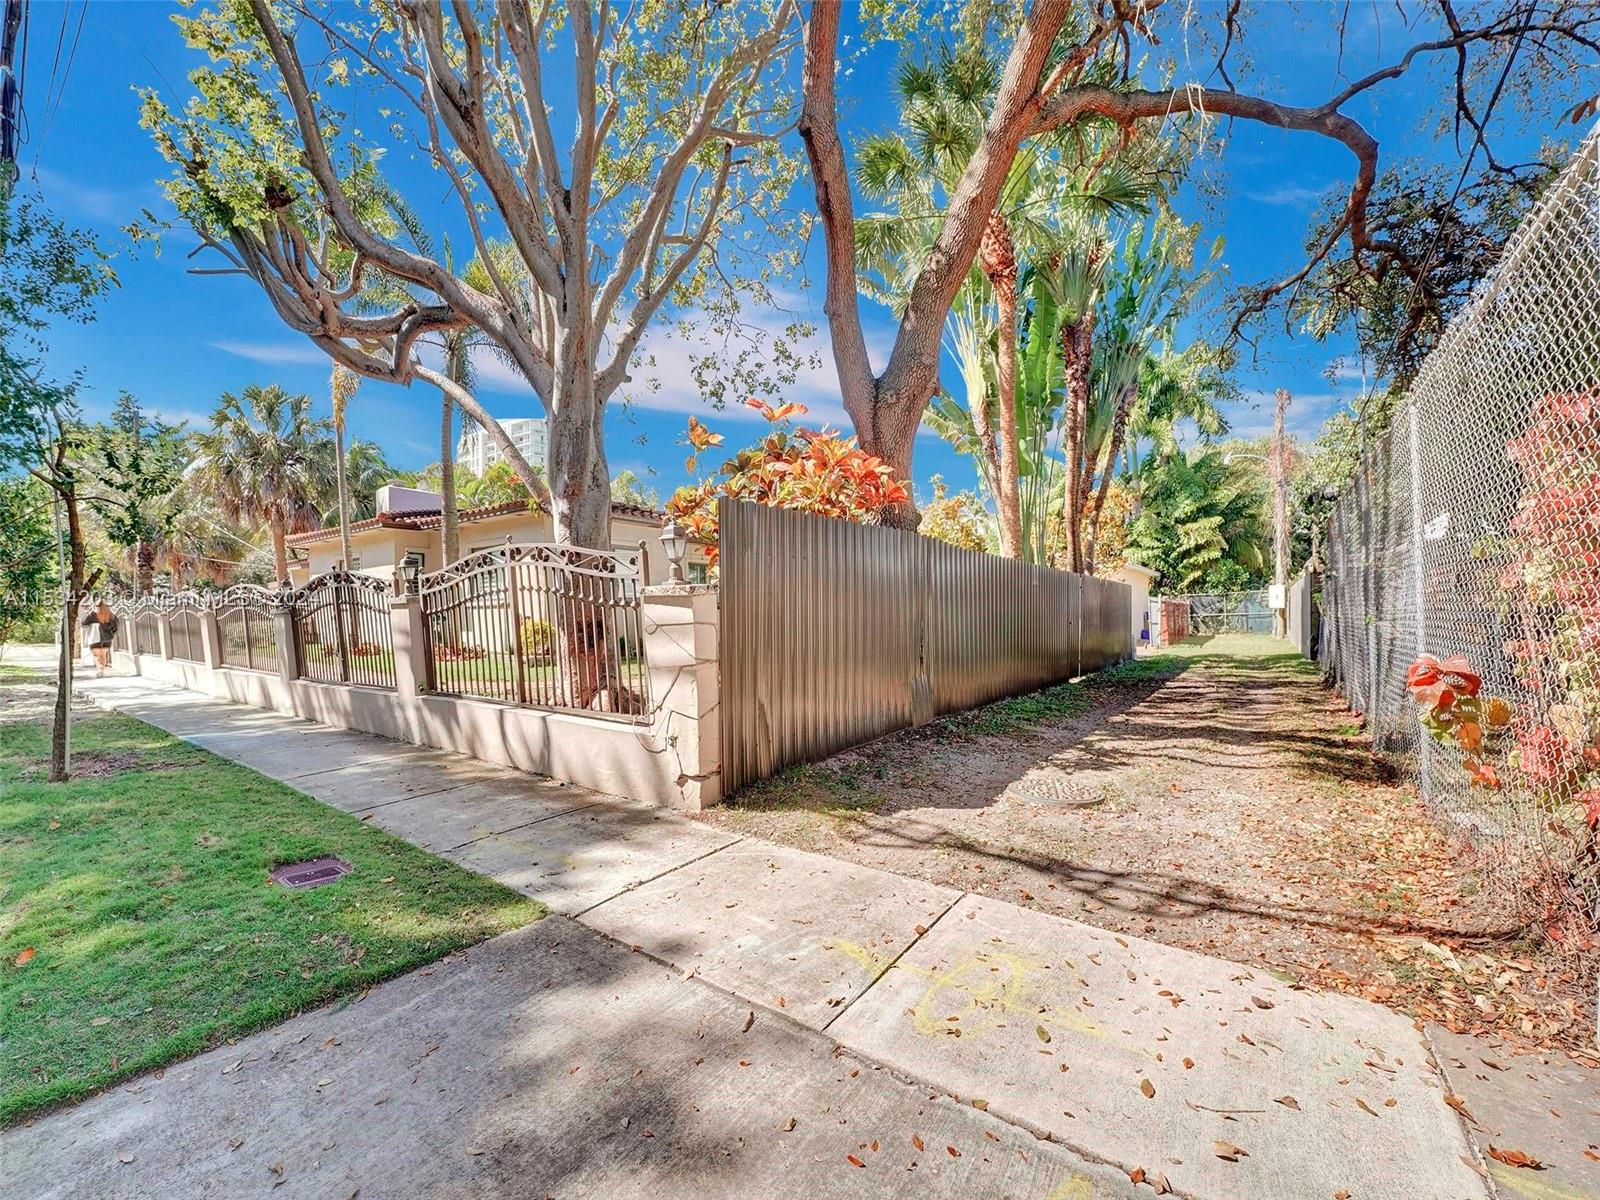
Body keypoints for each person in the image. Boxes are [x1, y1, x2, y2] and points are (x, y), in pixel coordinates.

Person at [79, 600, 120, 678]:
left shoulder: (93, 614)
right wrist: (111, 634)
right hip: (107, 639)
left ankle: (99, 669)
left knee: (96, 655)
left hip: (94, 638)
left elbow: (84, 623)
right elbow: (116, 626)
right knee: (103, 655)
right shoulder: (110, 615)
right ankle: (102, 670)